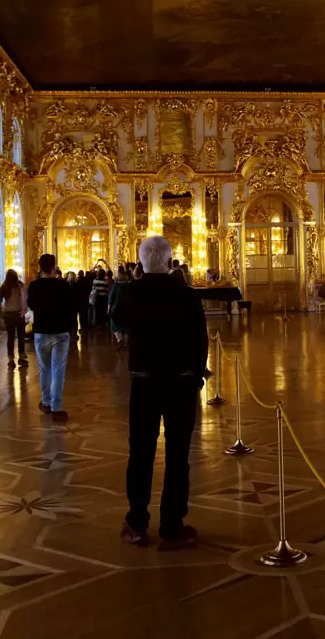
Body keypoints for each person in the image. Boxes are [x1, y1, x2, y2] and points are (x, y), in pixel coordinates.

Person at [112, 235, 209, 549]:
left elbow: (116, 320)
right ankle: (171, 526)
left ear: (140, 263)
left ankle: (137, 524)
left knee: (140, 454)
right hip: (180, 383)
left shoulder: (130, 293)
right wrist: (195, 376)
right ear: (170, 262)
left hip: (144, 383)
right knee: (178, 456)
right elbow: (200, 341)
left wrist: (137, 282)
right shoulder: (187, 296)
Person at [27, 254, 74, 421]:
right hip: (60, 331)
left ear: (40, 267)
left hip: (41, 331)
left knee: (44, 369)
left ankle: (46, 402)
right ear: (54, 267)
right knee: (58, 370)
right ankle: (56, 407)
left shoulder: (33, 286)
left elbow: (31, 305)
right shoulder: (63, 285)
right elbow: (70, 307)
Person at [0, 269, 28, 369]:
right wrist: (24, 311)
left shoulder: (4, 286)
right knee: (21, 336)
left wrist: (0, 313)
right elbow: (24, 299)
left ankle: (10, 359)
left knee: (10, 337)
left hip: (8, 314)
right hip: (18, 313)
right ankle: (21, 357)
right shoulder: (20, 285)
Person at [108, 266, 130, 350]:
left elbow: (110, 299)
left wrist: (108, 309)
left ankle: (119, 339)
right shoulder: (129, 286)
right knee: (126, 325)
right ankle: (125, 342)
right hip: (127, 308)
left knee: (114, 324)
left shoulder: (115, 286)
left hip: (115, 308)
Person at [65, 272, 79, 338]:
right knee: (74, 319)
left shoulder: (66, 284)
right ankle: (75, 333)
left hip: (68, 304)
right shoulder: (76, 285)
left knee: (69, 319)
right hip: (75, 304)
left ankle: (70, 333)